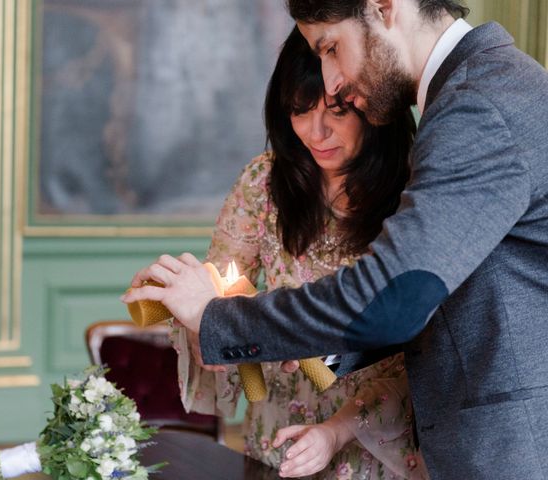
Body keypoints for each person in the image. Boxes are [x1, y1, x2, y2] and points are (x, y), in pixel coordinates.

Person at [122, 1, 548, 478]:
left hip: (508, 450)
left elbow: (395, 298)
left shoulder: (476, 106)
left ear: (384, 7)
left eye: (331, 48)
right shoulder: (486, 86)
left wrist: (214, 316)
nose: (330, 82)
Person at [170, 26, 424, 479]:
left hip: (379, 432)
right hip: (279, 432)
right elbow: (224, 289)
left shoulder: (417, 188)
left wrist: (338, 429)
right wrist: (184, 307)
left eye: (337, 111)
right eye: (299, 111)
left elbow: (427, 347)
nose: (316, 132)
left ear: (373, 107)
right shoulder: (264, 182)